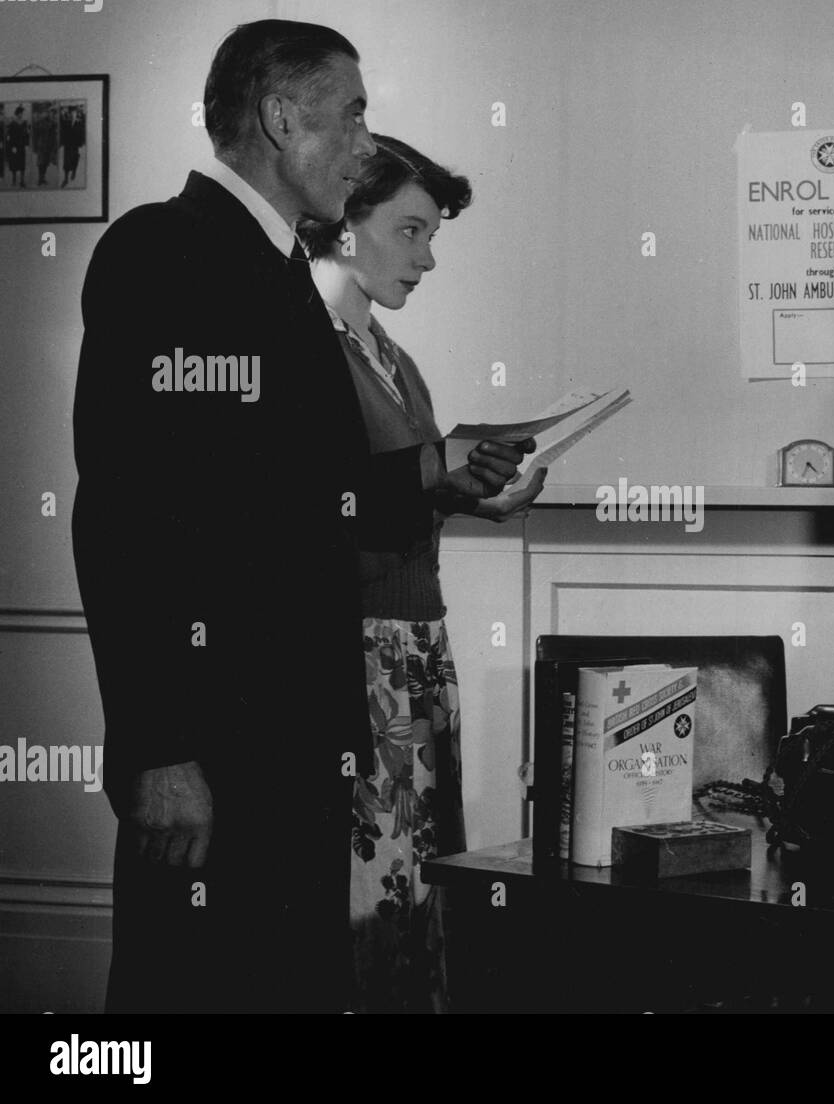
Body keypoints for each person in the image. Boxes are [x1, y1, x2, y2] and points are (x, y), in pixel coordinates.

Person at [72, 19, 529, 1013]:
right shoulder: (165, 251)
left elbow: (313, 499)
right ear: (282, 117)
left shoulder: (284, 282)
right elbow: (124, 518)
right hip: (209, 752)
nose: (369, 143)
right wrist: (159, 747)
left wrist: (438, 473)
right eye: (354, 112)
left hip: (297, 747)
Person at [302, 135, 545, 1011]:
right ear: (344, 227)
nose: (428, 256)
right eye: (410, 230)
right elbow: (305, 508)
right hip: (354, 657)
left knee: (416, 887)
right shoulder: (305, 347)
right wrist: (441, 470)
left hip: (414, 651)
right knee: (369, 890)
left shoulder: (392, 359)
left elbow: (389, 498)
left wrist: (474, 496)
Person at [6, 105, 29, 188]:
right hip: (15, 147)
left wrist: (26, 144)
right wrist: (12, 147)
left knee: (22, 164)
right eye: (20, 113)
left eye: (22, 113)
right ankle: (14, 180)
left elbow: (26, 135)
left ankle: (22, 181)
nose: (21, 115)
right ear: (17, 114)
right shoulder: (12, 124)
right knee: (14, 164)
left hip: (22, 146)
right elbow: (9, 136)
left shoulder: (24, 123)